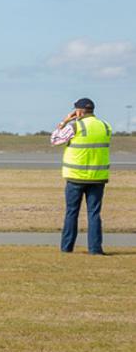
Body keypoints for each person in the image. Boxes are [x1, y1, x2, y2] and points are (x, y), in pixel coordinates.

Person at [51, 97, 111, 255]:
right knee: (94, 213)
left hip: (76, 177)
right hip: (98, 177)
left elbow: (55, 139)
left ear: (78, 111)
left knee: (72, 212)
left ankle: (67, 247)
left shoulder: (76, 126)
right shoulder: (105, 126)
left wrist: (64, 122)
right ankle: (95, 249)